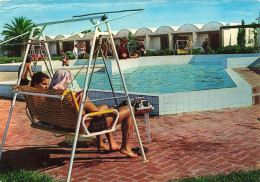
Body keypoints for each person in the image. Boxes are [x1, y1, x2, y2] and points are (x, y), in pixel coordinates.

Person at [49, 69, 138, 158]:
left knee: (104, 107)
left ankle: (103, 144)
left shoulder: (52, 96)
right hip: (84, 127)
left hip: (66, 126)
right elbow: (97, 114)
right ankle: (125, 147)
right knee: (130, 109)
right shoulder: (78, 96)